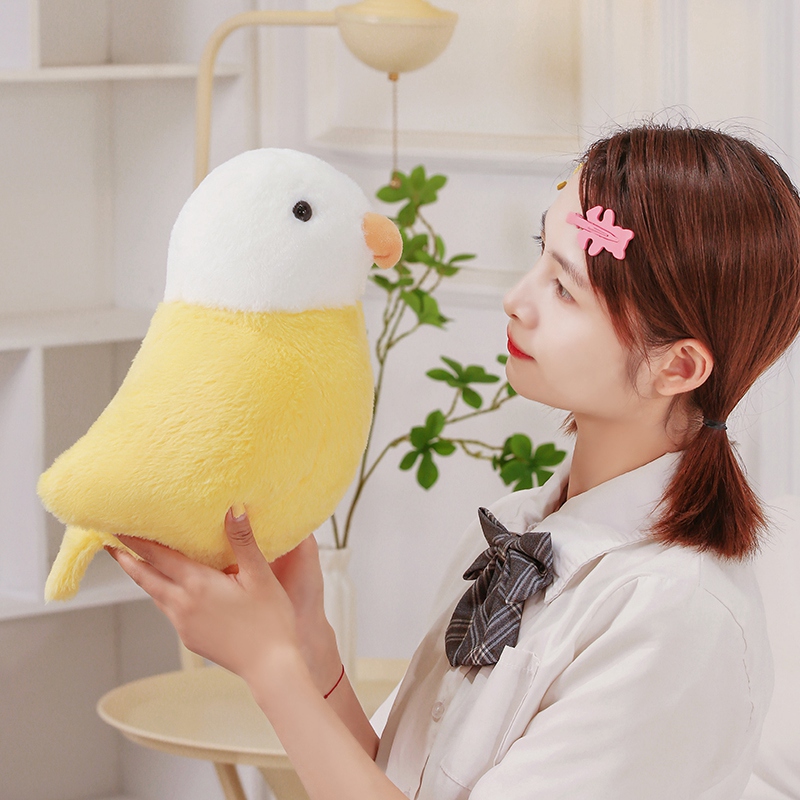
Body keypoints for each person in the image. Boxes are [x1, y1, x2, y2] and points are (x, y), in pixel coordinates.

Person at [106, 123, 800, 799]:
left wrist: (270, 667)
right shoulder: (512, 528)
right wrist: (308, 643)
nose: (515, 299)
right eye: (541, 253)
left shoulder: (677, 620)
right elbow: (400, 781)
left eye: (565, 289)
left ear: (677, 366)